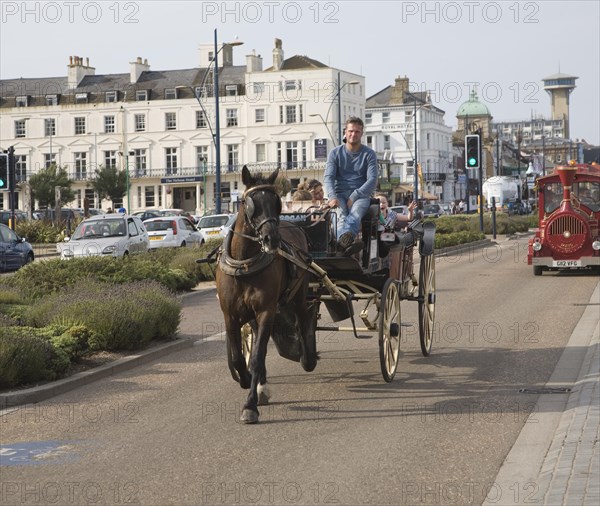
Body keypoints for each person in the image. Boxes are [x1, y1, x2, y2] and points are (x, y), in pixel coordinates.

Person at [324, 117, 378, 256]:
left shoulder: (369, 154)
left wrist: (354, 196)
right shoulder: (334, 153)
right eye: (350, 131)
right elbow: (328, 177)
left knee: (355, 215)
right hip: (339, 194)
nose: (353, 134)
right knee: (340, 216)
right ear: (345, 132)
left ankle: (342, 244)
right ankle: (345, 242)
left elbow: (372, 180)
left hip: (360, 195)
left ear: (362, 133)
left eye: (357, 132)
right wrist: (332, 197)